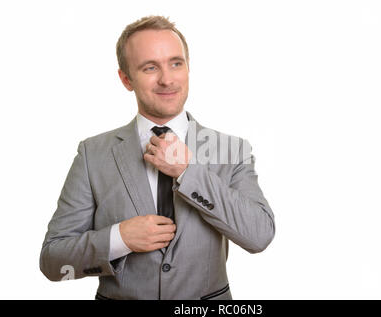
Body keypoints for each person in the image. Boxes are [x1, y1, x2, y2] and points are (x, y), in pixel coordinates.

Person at [40, 15, 275, 300]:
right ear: (126, 79)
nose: (167, 79)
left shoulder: (231, 149)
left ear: (188, 68)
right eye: (150, 67)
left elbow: (259, 235)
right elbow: (53, 261)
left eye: (176, 63)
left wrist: (189, 171)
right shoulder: (93, 154)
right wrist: (119, 239)